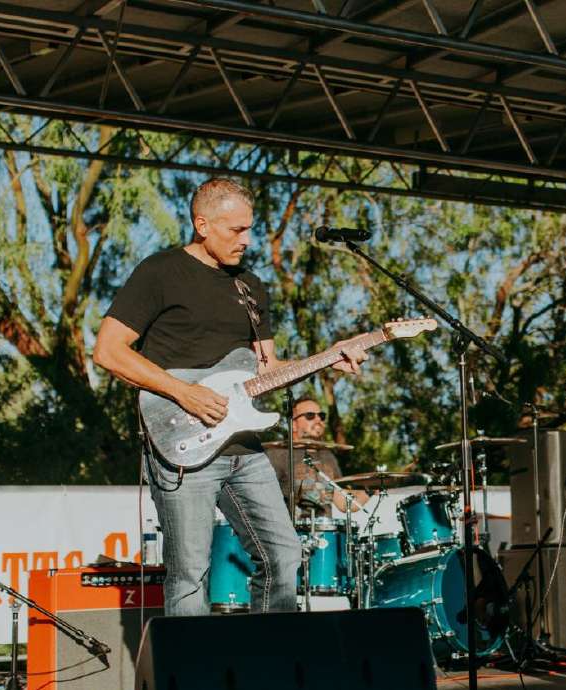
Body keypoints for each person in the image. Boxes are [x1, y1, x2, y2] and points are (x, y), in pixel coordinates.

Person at [93, 178, 369, 616]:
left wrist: (328, 358)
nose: (246, 239)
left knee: (284, 556)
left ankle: (264, 665)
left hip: (244, 446)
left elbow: (267, 371)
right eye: (235, 230)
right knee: (189, 575)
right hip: (182, 445)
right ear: (202, 224)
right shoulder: (160, 271)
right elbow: (108, 350)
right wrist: (185, 393)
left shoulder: (250, 286)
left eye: (249, 229)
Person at [266, 397, 368, 517]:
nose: (318, 419)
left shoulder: (328, 456)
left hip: (326, 532)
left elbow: (343, 503)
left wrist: (371, 488)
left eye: (322, 416)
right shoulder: (277, 454)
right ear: (293, 424)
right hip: (292, 532)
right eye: (310, 415)